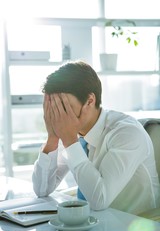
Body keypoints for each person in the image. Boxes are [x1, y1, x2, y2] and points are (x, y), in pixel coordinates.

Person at [32, 60, 160, 214]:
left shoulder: (127, 133)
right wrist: (52, 137)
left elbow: (100, 199)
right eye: (54, 108)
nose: (59, 116)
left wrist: (69, 141)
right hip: (94, 225)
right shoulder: (72, 132)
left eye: (64, 107)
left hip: (136, 229)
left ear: (89, 101)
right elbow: (42, 189)